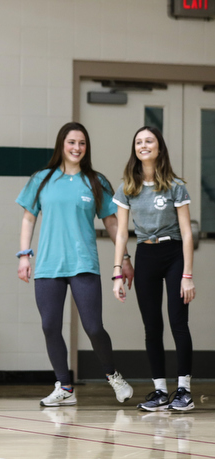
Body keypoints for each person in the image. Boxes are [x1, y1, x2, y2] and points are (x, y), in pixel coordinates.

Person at [16, 122, 135, 407]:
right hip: (48, 266)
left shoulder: (96, 181)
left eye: (82, 143)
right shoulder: (42, 180)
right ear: (61, 145)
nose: (76, 148)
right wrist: (24, 255)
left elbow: (112, 223)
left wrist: (126, 258)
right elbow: (28, 219)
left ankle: (113, 375)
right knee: (50, 326)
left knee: (94, 327)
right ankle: (64, 387)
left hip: (84, 264)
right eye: (71, 142)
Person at [112, 126, 195, 412]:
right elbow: (122, 233)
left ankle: (184, 389)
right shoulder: (127, 187)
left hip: (172, 253)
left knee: (177, 322)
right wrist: (117, 270)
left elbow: (186, 232)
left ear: (159, 148)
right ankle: (160, 391)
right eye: (138, 142)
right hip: (145, 253)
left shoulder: (175, 185)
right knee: (152, 326)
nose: (143, 145)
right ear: (134, 149)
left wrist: (187, 275)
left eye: (149, 141)